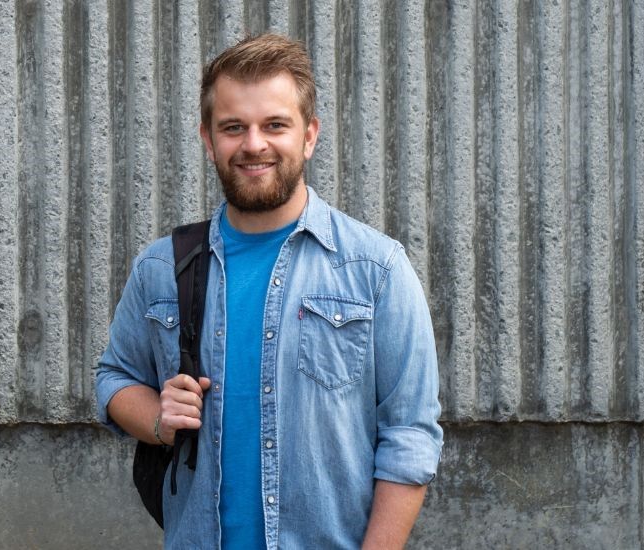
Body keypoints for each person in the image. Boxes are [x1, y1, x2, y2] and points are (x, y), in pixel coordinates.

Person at [94, 33, 443, 549]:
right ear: (209, 140)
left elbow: (410, 437)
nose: (254, 144)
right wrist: (157, 419)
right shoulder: (161, 267)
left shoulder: (376, 269)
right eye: (234, 127)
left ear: (309, 136)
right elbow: (114, 377)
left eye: (274, 125)